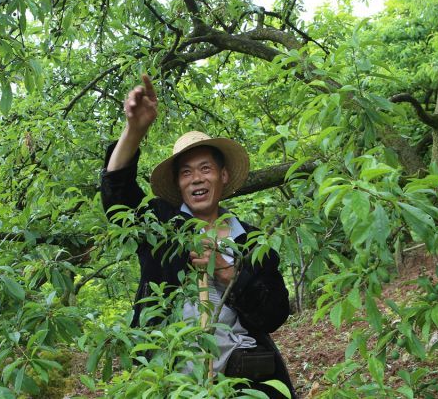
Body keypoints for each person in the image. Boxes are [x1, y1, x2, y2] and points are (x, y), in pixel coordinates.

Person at [100, 74, 296, 398]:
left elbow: (275, 313)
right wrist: (134, 131)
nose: (196, 179)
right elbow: (117, 196)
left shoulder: (251, 240)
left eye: (205, 168)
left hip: (246, 383)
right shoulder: (162, 225)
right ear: (178, 185)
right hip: (173, 382)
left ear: (223, 175)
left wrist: (227, 271)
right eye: (186, 172)